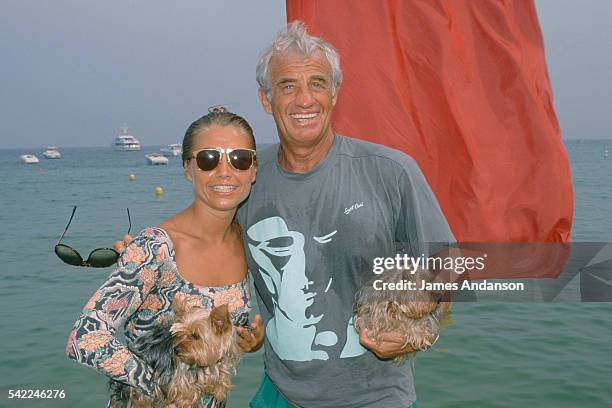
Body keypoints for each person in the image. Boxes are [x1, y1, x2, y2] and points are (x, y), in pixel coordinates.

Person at [118, 22, 455, 408]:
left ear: (335, 93)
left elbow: (449, 265)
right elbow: (203, 239)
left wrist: (413, 330)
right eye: (287, 86)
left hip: (378, 397)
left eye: (317, 83)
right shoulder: (245, 178)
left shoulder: (390, 171)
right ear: (266, 99)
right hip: (279, 394)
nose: (304, 100)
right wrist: (150, 251)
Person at [66, 109, 265, 407]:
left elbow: (213, 333)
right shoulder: (154, 248)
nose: (225, 171)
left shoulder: (246, 241)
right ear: (188, 168)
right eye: (208, 159)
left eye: (239, 159)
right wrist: (161, 384)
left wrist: (244, 341)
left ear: (253, 170)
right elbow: (84, 338)